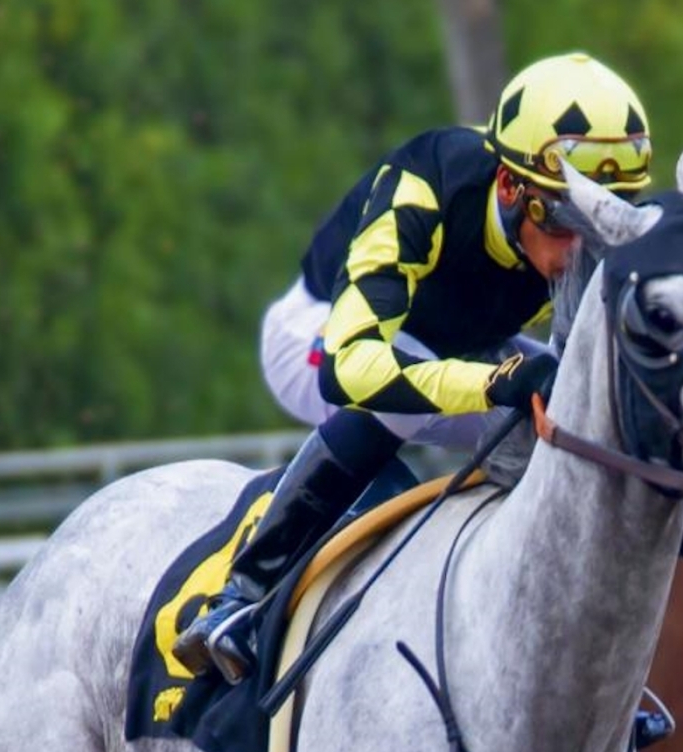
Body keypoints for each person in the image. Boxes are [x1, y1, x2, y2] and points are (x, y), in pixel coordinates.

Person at [175, 53, 653, 682]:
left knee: (582, 404)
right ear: (510, 188)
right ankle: (241, 597)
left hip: (460, 343)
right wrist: (494, 383)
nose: (581, 250)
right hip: (317, 339)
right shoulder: (423, 187)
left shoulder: (574, 232)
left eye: (603, 221)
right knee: (418, 385)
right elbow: (348, 366)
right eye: (564, 222)